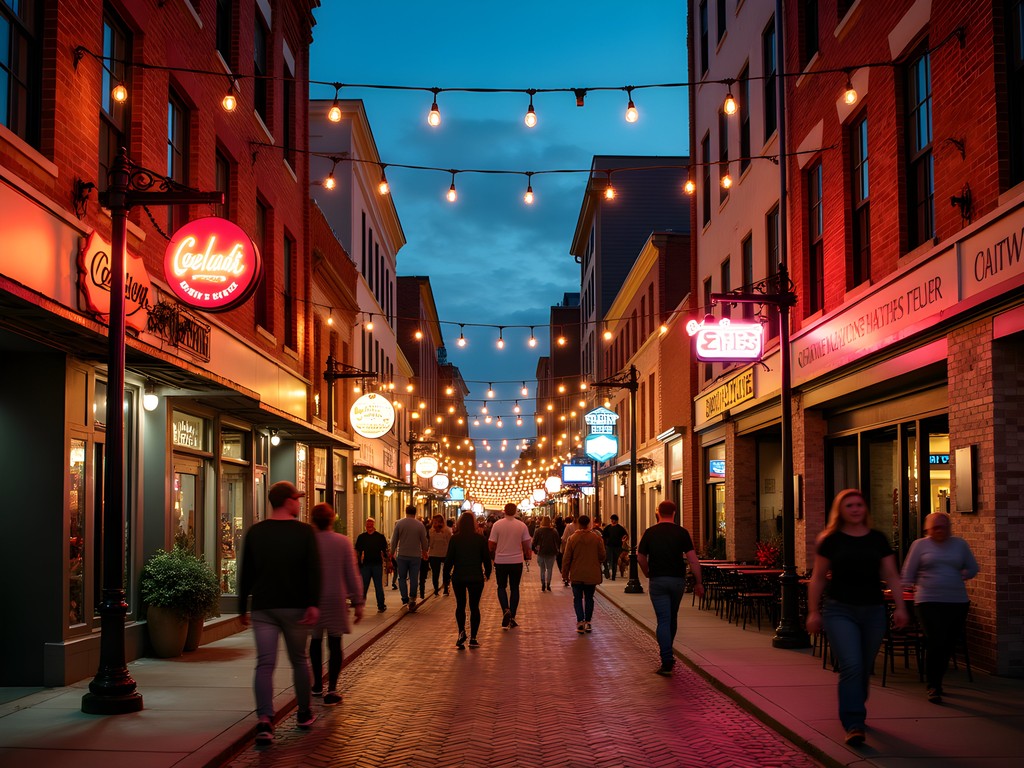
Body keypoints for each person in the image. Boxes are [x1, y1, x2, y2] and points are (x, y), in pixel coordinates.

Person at [805, 489, 908, 747]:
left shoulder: (877, 539)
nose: (854, 509)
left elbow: (892, 575)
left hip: (873, 610)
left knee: (863, 667)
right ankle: (854, 723)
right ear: (840, 510)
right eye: (849, 505)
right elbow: (817, 578)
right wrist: (813, 611)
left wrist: (901, 607)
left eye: (859, 505)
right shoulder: (830, 540)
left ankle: (854, 708)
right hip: (839, 609)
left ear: (865, 509)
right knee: (851, 665)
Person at [238, 481, 321, 745]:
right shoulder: (305, 532)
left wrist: (242, 606)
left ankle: (264, 719)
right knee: (299, 660)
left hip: (264, 607)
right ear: (288, 501)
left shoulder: (256, 532)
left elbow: (246, 572)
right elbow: (313, 570)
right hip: (295, 607)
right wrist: (313, 603)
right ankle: (304, 713)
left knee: (264, 664)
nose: (299, 502)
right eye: (297, 498)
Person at [901, 511, 979, 704]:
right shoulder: (920, 546)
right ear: (927, 529)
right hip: (928, 600)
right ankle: (933, 685)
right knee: (936, 640)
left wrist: (963, 574)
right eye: (935, 527)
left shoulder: (959, 544)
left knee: (948, 643)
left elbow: (973, 567)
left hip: (956, 600)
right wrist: (904, 594)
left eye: (944, 527)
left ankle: (938, 678)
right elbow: (908, 573)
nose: (940, 531)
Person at [637, 501, 703, 677]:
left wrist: (647, 572)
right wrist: (699, 582)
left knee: (663, 619)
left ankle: (666, 658)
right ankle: (668, 652)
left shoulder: (650, 533)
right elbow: (693, 559)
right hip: (677, 581)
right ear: (674, 512)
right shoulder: (682, 533)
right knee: (672, 617)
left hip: (658, 580)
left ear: (658, 512)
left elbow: (640, 556)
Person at [308, 503, 364, 706]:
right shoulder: (343, 542)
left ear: (313, 520)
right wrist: (358, 601)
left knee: (314, 641)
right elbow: (352, 573)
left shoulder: (309, 542)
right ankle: (331, 688)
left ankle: (316, 686)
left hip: (313, 599)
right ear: (332, 519)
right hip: (335, 599)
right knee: (334, 643)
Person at [444, 511, 493, 648]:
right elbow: (486, 559)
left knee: (460, 606)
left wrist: (446, 577)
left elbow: (449, 560)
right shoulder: (480, 539)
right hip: (476, 576)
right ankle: (473, 637)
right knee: (474, 607)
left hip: (459, 576)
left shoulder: (455, 539)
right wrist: (487, 573)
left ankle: (461, 632)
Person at [488, 502, 532, 629]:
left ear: (504, 511)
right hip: (516, 561)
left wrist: (497, 549)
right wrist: (526, 554)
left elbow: (491, 545)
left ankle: (505, 610)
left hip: (501, 561)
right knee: (514, 588)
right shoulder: (522, 525)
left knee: (501, 587)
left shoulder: (497, 525)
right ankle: (512, 616)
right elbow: (527, 544)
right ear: (516, 511)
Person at [560, 515, 606, 633]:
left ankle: (580, 622)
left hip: (576, 573)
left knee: (577, 598)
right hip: (591, 574)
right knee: (589, 598)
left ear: (578, 524)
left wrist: (565, 573)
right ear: (589, 523)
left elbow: (566, 558)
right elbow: (602, 556)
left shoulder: (572, 538)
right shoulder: (596, 538)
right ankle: (588, 622)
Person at [391, 505, 428, 612]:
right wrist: (425, 551)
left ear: (405, 512)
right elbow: (424, 540)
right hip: (415, 555)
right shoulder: (420, 525)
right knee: (413, 578)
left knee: (401, 578)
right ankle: (412, 598)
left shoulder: (399, 523)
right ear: (415, 513)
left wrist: (392, 552)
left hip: (402, 555)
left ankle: (404, 598)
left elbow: (394, 540)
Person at [354, 517, 389, 612]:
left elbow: (385, 551)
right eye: (367, 525)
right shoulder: (361, 537)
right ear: (365, 526)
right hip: (366, 565)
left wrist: (388, 563)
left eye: (371, 524)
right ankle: (361, 605)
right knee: (364, 587)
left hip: (377, 564)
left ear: (374, 525)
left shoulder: (380, 537)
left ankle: (381, 605)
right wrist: (358, 564)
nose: (369, 526)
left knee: (378, 586)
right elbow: (358, 551)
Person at [531, 515, 560, 591]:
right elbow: (558, 541)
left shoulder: (538, 530)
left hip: (541, 552)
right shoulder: (554, 531)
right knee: (550, 569)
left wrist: (535, 548)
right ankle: (548, 584)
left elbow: (534, 541)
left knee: (542, 569)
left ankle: (543, 583)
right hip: (551, 552)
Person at [426, 513, 453, 596]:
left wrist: (442, 533)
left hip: (445, 554)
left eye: (439, 522)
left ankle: (446, 588)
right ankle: (436, 589)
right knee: (435, 572)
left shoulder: (447, 531)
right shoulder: (430, 531)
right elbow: (431, 544)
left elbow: (449, 543)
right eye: (435, 522)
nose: (437, 524)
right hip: (434, 554)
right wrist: (435, 533)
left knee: (446, 572)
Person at [602, 514, 628, 581]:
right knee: (607, 559)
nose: (612, 521)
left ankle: (613, 575)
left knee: (614, 561)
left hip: (617, 546)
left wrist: (623, 540)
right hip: (609, 546)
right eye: (611, 520)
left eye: (613, 520)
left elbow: (625, 535)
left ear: (616, 520)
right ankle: (607, 571)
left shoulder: (620, 528)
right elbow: (603, 536)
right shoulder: (608, 528)